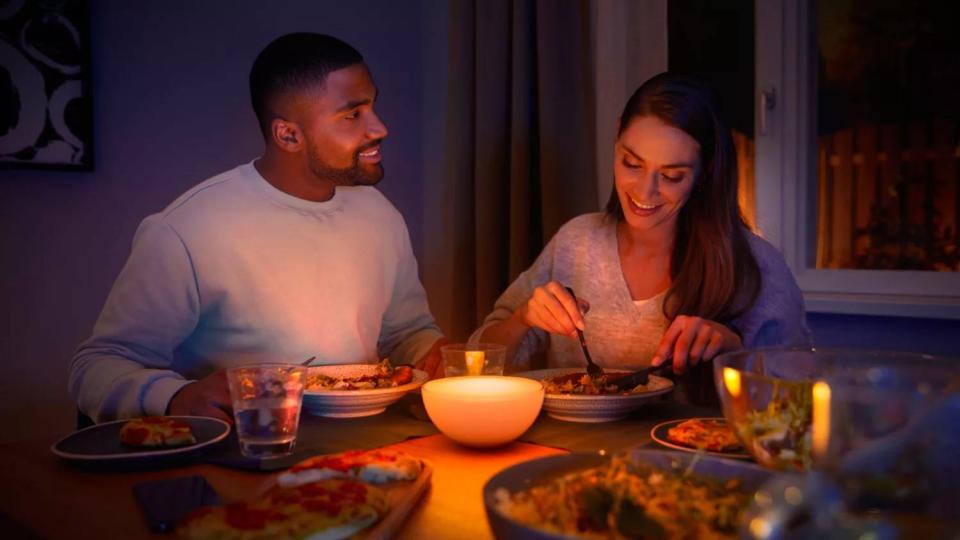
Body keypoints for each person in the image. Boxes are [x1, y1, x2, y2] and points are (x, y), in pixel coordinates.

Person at [70, 33, 447, 424]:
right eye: (353, 115)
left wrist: (434, 353)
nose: (379, 128)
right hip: (243, 452)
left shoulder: (380, 215)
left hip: (365, 450)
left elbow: (406, 334)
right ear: (288, 135)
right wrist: (176, 396)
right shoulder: (188, 229)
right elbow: (96, 366)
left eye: (373, 106)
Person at [472, 72, 811, 384]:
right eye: (632, 163)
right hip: (577, 449)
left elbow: (799, 397)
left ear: (703, 172)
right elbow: (476, 360)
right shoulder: (576, 242)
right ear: (617, 135)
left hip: (693, 451)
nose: (644, 192)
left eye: (671, 176)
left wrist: (732, 351)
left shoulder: (756, 267)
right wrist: (523, 319)